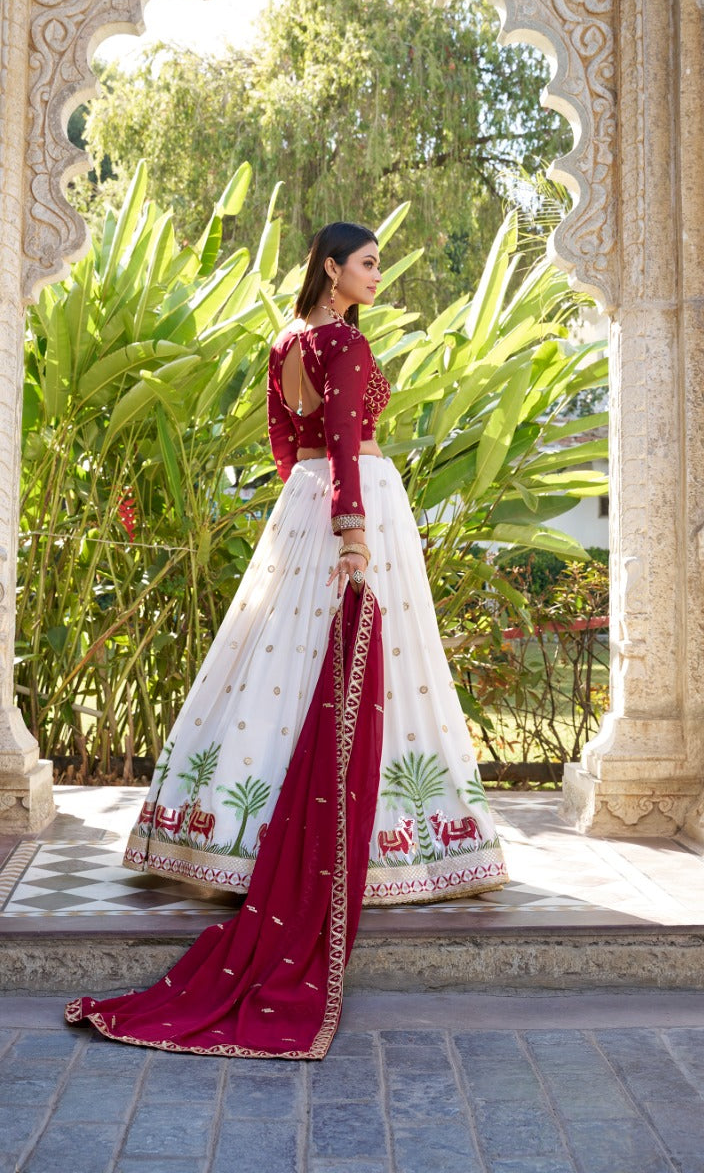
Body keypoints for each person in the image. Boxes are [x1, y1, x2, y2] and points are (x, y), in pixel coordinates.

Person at [123, 222, 508, 907]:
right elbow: (340, 440)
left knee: (279, 659)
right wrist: (353, 533)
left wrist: (308, 509)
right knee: (372, 658)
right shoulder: (344, 341)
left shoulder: (285, 340)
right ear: (331, 269)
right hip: (352, 498)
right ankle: (397, 849)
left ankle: (224, 839)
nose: (377, 276)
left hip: (300, 501)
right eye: (367, 263)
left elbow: (284, 441)